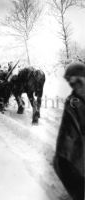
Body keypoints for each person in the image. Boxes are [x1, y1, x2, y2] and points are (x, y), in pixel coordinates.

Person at [54, 62, 85, 200]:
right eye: (69, 80)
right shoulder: (72, 101)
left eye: (74, 79)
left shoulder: (73, 101)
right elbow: (67, 132)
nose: (71, 82)